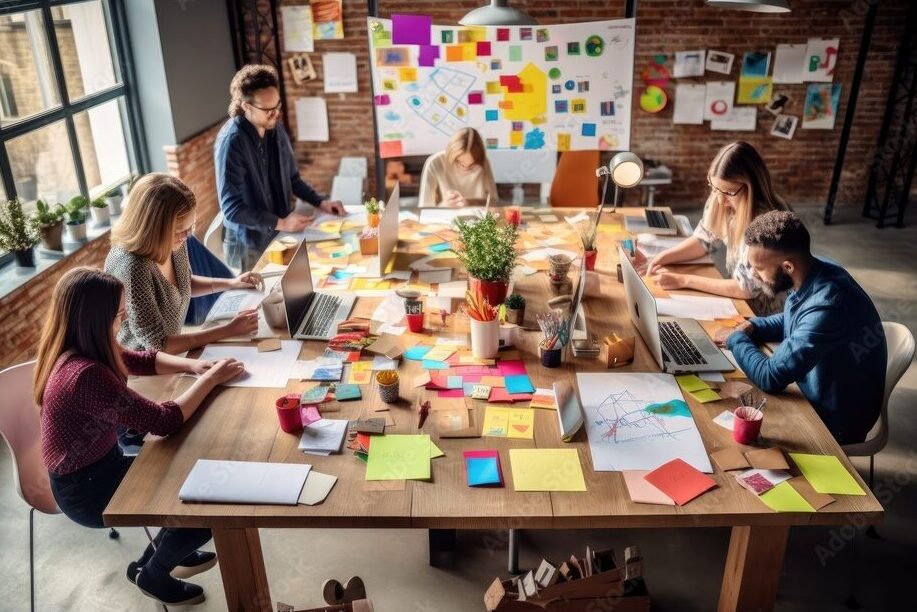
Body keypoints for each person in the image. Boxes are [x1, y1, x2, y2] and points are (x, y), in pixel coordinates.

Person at [34, 267, 245, 605]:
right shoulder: (85, 376)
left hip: (99, 468)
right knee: (211, 501)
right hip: (88, 492)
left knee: (188, 470)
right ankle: (155, 574)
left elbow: (137, 359)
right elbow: (163, 420)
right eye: (119, 316)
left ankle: (161, 555)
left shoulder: (75, 348)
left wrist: (191, 367)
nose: (125, 320)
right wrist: (211, 380)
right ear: (94, 321)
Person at [720, 211, 887, 445]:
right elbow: (791, 319)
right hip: (814, 393)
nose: (753, 275)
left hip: (835, 422)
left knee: (731, 418)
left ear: (787, 266)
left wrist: (736, 339)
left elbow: (770, 378)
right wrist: (752, 327)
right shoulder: (813, 269)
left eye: (758, 268)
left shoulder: (829, 307)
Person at [106, 173, 261, 354]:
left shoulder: (173, 242)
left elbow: (184, 282)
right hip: (143, 370)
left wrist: (232, 284)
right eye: (180, 230)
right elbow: (158, 344)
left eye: (191, 227)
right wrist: (228, 330)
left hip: (173, 354)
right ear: (153, 228)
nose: (187, 236)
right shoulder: (133, 268)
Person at [215, 64, 344, 271]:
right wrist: (282, 223)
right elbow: (232, 209)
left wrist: (321, 202)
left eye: (277, 106)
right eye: (267, 109)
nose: (275, 114)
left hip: (278, 232)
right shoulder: (232, 142)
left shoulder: (275, 128)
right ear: (246, 106)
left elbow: (292, 178)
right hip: (249, 243)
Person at [643, 141, 791, 314]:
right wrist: (661, 257)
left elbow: (745, 289)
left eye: (728, 192)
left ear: (751, 187)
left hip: (765, 313)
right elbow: (704, 240)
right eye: (714, 188)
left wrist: (683, 280)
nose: (720, 200)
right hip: (740, 301)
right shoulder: (721, 196)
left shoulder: (766, 224)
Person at [418, 128, 499, 207]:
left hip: (476, 219)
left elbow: (494, 202)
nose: (465, 168)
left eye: (472, 165)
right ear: (451, 153)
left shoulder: (482, 162)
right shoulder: (435, 162)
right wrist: (446, 204)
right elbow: (424, 207)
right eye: (460, 162)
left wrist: (469, 202)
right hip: (444, 218)